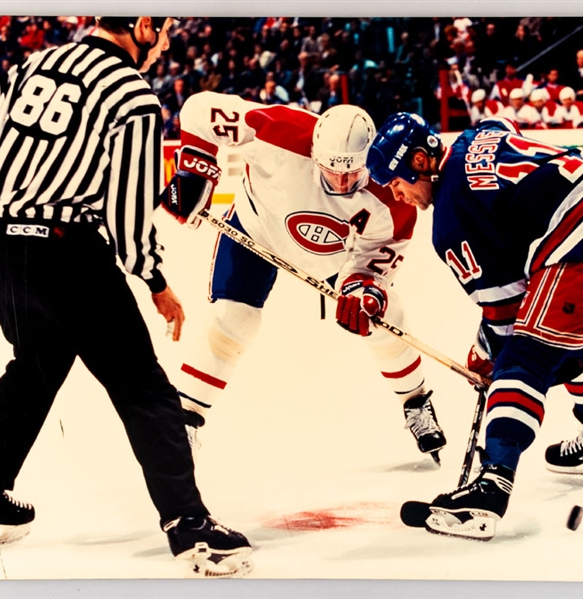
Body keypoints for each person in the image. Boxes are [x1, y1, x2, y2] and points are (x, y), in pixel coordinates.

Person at [0, 16, 252, 577]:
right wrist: (156, 280)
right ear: (140, 25)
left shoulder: (23, 68)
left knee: (36, 364)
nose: (164, 46)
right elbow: (127, 208)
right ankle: (190, 528)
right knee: (143, 387)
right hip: (62, 251)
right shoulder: (131, 94)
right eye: (162, 33)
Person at [366, 113, 583, 540]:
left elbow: (506, 311)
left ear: (420, 160)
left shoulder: (451, 221)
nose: (397, 194)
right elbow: (501, 123)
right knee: (572, 340)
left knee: (524, 357)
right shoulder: (476, 137)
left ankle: (490, 489)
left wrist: (487, 357)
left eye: (396, 181)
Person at [168, 94, 446, 462]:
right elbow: (200, 109)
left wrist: (364, 290)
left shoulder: (391, 196)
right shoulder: (279, 129)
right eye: (333, 170)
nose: (343, 182)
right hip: (256, 229)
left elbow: (373, 263)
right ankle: (184, 419)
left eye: (353, 172)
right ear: (314, 151)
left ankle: (416, 402)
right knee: (234, 320)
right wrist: (194, 170)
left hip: (335, 257)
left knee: (384, 318)